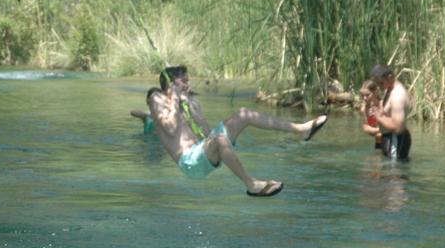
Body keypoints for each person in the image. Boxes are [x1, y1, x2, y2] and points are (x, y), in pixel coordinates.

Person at [148, 65, 328, 197]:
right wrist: (176, 100)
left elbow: (205, 132)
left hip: (202, 152)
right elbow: (171, 129)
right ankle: (252, 185)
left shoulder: (190, 100)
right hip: (189, 162)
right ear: (171, 83)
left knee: (243, 114)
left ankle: (302, 129)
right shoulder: (157, 98)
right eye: (184, 81)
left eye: (189, 80)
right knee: (219, 138)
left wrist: (191, 107)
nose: (188, 84)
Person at [369, 63, 412, 159]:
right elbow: (389, 115)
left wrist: (379, 117)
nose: (379, 86)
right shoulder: (389, 88)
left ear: (390, 77)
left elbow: (398, 127)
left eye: (381, 83)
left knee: (393, 172)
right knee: (387, 171)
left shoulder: (397, 96)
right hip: (390, 139)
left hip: (395, 139)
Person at [359, 79, 383, 151]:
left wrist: (377, 130)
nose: (364, 98)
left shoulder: (384, 105)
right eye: (362, 95)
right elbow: (366, 128)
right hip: (378, 142)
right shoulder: (364, 109)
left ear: (375, 92)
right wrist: (379, 130)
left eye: (367, 95)